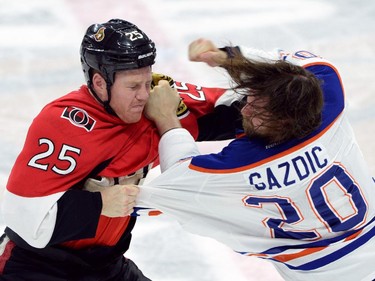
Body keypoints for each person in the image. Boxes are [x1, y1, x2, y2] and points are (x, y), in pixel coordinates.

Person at [0, 21, 241, 280]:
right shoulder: (63, 123)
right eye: (133, 86)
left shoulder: (158, 101)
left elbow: (254, 109)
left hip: (106, 266)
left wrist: (232, 58)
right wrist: (99, 204)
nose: (144, 95)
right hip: (36, 267)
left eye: (148, 82)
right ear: (100, 83)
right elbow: (24, 217)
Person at [139, 38, 375, 281]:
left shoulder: (243, 166)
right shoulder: (328, 96)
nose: (244, 111)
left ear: (284, 121)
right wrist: (229, 57)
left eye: (256, 110)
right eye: (249, 99)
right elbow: (295, 67)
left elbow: (177, 180)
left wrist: (166, 116)